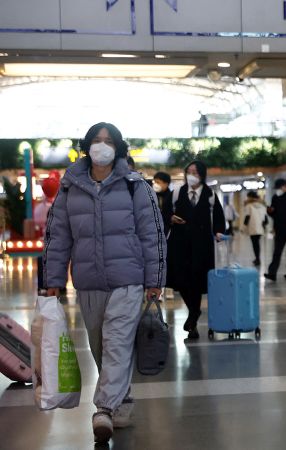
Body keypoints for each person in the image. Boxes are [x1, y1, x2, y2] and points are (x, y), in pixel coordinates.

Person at [43, 122, 166, 443]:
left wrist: (154, 279)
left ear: (118, 147)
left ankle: (103, 410)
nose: (101, 146)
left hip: (128, 279)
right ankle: (121, 400)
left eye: (108, 141)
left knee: (118, 342)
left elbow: (152, 235)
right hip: (87, 281)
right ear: (87, 146)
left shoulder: (134, 185)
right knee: (101, 345)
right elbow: (58, 237)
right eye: (96, 141)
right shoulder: (71, 187)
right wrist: (51, 280)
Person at [165, 160, 226, 339]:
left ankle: (192, 322)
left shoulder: (210, 195)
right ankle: (194, 312)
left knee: (197, 281)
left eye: (196, 172)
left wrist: (219, 232)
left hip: (201, 245)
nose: (192, 175)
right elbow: (164, 212)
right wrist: (171, 218)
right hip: (179, 243)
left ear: (202, 175)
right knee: (182, 281)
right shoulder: (177, 192)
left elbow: (218, 217)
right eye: (189, 171)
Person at [243, 191, 268, 266]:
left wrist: (243, 228)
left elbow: (247, 217)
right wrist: (263, 226)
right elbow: (266, 219)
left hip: (252, 227)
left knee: (255, 244)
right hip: (260, 228)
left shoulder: (248, 206)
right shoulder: (263, 205)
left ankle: (257, 259)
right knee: (257, 243)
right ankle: (257, 258)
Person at [151, 171, 173, 237]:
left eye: (158, 182)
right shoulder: (150, 195)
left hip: (165, 230)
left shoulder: (171, 197)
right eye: (154, 182)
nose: (155, 184)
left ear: (166, 184)